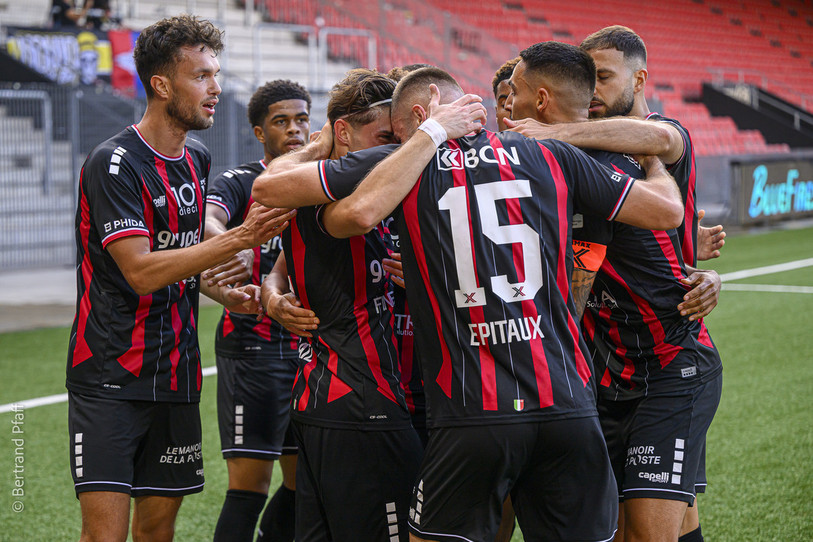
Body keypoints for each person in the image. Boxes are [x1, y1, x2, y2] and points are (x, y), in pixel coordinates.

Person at [252, 63, 687, 542]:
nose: (396, 143)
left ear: (420, 116)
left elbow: (301, 198)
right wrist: (653, 159)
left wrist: (384, 145)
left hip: (471, 411)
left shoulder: (408, 161)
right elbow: (667, 210)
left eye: (397, 133)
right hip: (567, 403)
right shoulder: (549, 152)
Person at [65, 15, 290, 542]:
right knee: (105, 537)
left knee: (158, 531)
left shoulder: (197, 158)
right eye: (202, 76)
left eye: (217, 74)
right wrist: (237, 239)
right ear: (162, 85)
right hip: (109, 375)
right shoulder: (114, 164)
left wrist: (220, 290)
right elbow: (141, 271)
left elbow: (180, 257)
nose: (216, 88)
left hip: (177, 375)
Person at [507, 27, 724, 542]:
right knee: (654, 522)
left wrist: (550, 134)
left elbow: (662, 141)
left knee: (646, 531)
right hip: (606, 368)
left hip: (673, 359)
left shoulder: (657, 135)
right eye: (587, 78)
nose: (594, 90)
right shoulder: (585, 155)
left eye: (603, 77)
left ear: (639, 77)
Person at [255, 69, 424, 542]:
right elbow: (278, 189)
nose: (398, 148)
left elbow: (284, 262)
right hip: (365, 403)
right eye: (387, 137)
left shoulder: (322, 185)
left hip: (325, 399)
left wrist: (272, 290)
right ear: (344, 132)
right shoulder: (337, 190)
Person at [205, 79, 311, 542]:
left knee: (303, 482)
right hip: (253, 349)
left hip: (311, 351)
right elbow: (209, 219)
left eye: (302, 119)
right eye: (280, 121)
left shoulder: (321, 181)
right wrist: (231, 244)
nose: (294, 129)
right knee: (250, 485)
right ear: (258, 132)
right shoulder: (242, 181)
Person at [491, 57, 520, 132]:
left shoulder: (552, 141)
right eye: (503, 104)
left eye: (517, 101)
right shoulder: (482, 143)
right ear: (496, 114)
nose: (508, 106)